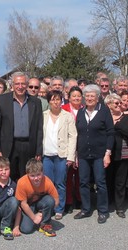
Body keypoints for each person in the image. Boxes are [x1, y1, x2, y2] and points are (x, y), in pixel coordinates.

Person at [0, 72, 43, 181]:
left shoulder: (36, 102)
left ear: (27, 85)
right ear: (12, 85)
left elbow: (39, 128)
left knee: (27, 176)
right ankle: (11, 198)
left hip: (29, 146)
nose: (20, 87)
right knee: (10, 176)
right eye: (17, 84)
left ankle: (24, 197)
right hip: (9, 145)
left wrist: (38, 150)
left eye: (23, 84)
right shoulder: (2, 100)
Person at [74, 84, 114, 224]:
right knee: (84, 182)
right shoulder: (81, 111)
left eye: (92, 96)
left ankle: (103, 211)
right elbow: (78, 134)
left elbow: (110, 133)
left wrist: (107, 153)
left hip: (99, 153)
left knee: (100, 182)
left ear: (97, 98)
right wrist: (76, 154)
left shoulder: (104, 111)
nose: (89, 98)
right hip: (84, 153)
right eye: (87, 96)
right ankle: (86, 209)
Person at [42, 90, 77, 220]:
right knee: (48, 183)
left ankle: (59, 208)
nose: (55, 102)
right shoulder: (43, 115)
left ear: (61, 101)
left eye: (58, 99)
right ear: (49, 101)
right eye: (53, 99)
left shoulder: (67, 116)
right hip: (47, 154)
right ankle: (49, 206)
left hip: (61, 155)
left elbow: (73, 136)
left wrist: (70, 156)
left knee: (60, 183)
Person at [105, 92, 128, 218]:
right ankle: (107, 202)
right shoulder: (105, 117)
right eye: (116, 103)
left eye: (120, 103)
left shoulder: (126, 117)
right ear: (109, 105)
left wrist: (115, 125)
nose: (119, 105)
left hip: (122, 153)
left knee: (120, 181)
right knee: (107, 179)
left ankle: (120, 206)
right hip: (108, 153)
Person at [16, 159, 59, 237]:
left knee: (50, 200)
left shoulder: (47, 181)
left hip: (39, 204)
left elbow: (56, 201)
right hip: (27, 206)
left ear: (42, 172)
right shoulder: (22, 182)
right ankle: (35, 219)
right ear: (27, 174)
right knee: (26, 229)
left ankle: (45, 224)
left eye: (38, 174)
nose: (36, 178)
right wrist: (34, 218)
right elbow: (23, 204)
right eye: (32, 175)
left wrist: (42, 213)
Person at [61, 86, 83, 213]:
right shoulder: (63, 110)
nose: (76, 98)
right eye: (73, 96)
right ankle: (68, 201)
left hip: (81, 148)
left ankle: (80, 199)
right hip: (67, 147)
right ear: (69, 97)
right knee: (67, 176)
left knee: (81, 176)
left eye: (78, 96)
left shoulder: (85, 109)